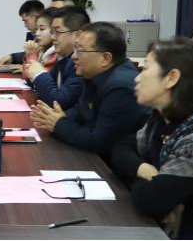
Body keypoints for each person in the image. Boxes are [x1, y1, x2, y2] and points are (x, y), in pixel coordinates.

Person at [112, 37, 193, 240]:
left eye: (145, 69)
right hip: (172, 228)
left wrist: (155, 190)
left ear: (171, 78)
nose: (136, 78)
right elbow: (120, 149)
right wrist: (145, 170)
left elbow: (148, 201)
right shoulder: (164, 117)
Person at [30, 21, 149, 160]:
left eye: (80, 50)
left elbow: (100, 141)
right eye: (75, 50)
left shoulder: (120, 87)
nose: (74, 56)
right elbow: (81, 111)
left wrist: (59, 124)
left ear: (105, 58)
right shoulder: (95, 74)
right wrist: (57, 117)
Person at [24, 6, 89, 110]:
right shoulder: (62, 56)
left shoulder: (79, 62)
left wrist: (39, 73)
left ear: (77, 35)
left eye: (57, 32)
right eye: (52, 32)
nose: (52, 37)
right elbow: (43, 90)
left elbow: (59, 103)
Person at [0, 0, 45, 65]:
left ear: (36, 18)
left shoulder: (48, 38)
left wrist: (14, 58)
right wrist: (12, 57)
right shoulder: (31, 35)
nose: (25, 25)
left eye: (26, 21)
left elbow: (38, 57)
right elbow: (27, 55)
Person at [21, 8, 57, 80]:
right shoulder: (41, 49)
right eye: (37, 29)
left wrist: (31, 54)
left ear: (55, 30)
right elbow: (25, 75)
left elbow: (34, 78)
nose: (37, 33)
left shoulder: (56, 55)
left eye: (42, 29)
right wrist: (29, 53)